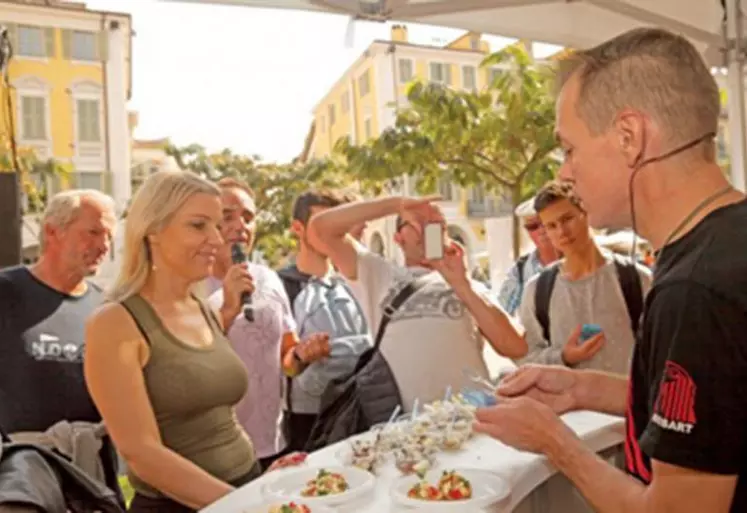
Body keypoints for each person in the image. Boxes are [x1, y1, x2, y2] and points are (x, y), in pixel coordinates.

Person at [474, 27, 747, 512]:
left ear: (629, 136)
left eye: (569, 148)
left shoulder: (693, 291)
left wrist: (555, 443)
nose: (564, 173)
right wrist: (582, 388)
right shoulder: (724, 245)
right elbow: (719, 409)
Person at [84, 171, 301, 513]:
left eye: (217, 225)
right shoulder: (114, 323)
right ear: (152, 230)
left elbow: (216, 415)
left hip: (246, 487)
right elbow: (142, 454)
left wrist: (262, 484)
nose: (217, 239)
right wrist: (245, 504)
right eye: (199, 225)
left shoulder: (202, 307)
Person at [308, 196, 526, 411]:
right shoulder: (378, 273)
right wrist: (397, 205)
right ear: (398, 238)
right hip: (407, 429)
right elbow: (320, 229)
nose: (426, 229)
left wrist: (462, 284)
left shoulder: (469, 285)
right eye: (416, 223)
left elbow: (515, 346)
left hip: (473, 420)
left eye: (436, 223)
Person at [0, 189, 121, 496]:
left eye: (109, 235)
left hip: (91, 478)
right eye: (93, 232)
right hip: (19, 481)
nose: (104, 245)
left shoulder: (106, 307)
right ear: (53, 231)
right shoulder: (6, 292)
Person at [205, 178, 327, 470]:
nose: (240, 226)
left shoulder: (269, 279)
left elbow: (287, 362)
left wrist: (301, 356)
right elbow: (186, 364)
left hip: (271, 446)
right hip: (216, 452)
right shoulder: (190, 285)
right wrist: (228, 310)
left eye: (248, 217)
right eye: (228, 216)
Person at [517, 180, 650, 374]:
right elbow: (526, 359)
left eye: (567, 219)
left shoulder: (636, 279)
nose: (562, 232)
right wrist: (563, 357)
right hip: (566, 403)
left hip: (626, 402)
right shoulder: (538, 291)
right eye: (552, 226)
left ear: (585, 213)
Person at [277, 190, 372, 452]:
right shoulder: (280, 288)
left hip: (358, 412)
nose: (331, 234)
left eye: (336, 226)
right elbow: (279, 367)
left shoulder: (356, 283)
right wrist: (300, 357)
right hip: (306, 426)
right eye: (322, 226)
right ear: (298, 228)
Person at [496, 196, 558, 315]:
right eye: (532, 226)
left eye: (545, 223)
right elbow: (502, 314)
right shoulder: (520, 270)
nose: (541, 230)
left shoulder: (579, 260)